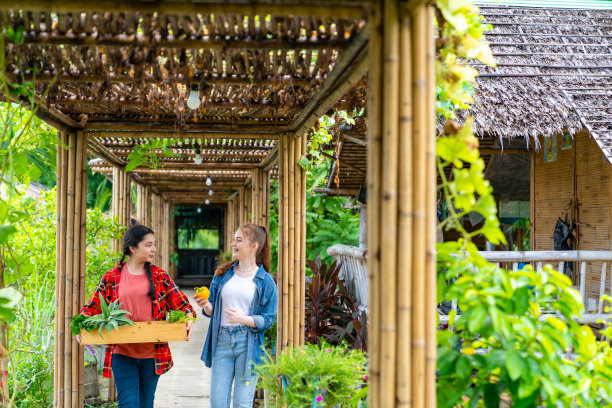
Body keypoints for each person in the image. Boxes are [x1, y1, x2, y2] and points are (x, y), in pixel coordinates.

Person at [77, 225, 195, 408]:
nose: (153, 249)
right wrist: (80, 325)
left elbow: (183, 305)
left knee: (146, 404)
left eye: (154, 244)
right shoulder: (111, 278)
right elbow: (91, 308)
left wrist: (188, 317)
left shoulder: (160, 276)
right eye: (148, 245)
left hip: (153, 354)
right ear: (133, 248)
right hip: (122, 352)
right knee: (129, 404)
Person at [196, 224, 278, 408]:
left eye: (239, 240)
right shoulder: (222, 275)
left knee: (242, 403)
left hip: (248, 344)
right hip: (222, 341)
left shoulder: (266, 281)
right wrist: (206, 305)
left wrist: (243, 319)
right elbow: (213, 310)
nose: (233, 243)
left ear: (254, 245)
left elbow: (268, 319)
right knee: (217, 403)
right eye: (234, 239)